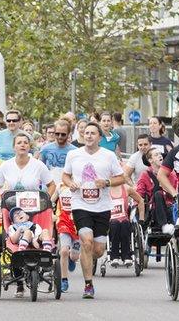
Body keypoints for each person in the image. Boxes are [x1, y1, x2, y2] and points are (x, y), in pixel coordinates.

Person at [62, 122, 125, 299]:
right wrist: (70, 183)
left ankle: (83, 252)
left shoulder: (109, 155)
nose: (89, 136)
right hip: (80, 205)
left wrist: (106, 183)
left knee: (98, 250)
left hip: (102, 206)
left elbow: (121, 177)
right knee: (87, 241)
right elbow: (65, 175)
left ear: (99, 137)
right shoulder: (74, 154)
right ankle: (88, 284)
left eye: (93, 133)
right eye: (86, 133)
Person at [0, 131, 56, 298]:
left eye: (25, 143)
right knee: (13, 242)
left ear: (29, 146)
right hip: (14, 211)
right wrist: (0, 201)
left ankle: (40, 266)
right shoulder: (6, 165)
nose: (22, 145)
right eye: (19, 143)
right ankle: (19, 282)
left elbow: (51, 185)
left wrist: (47, 201)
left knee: (38, 233)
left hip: (35, 209)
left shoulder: (38, 165)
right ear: (14, 147)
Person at [136, 148, 178, 234]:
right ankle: (164, 225)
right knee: (158, 194)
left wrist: (165, 187)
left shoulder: (170, 174)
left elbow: (175, 192)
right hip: (153, 210)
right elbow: (140, 194)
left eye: (160, 154)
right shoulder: (145, 174)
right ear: (150, 160)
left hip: (169, 206)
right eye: (156, 155)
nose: (160, 156)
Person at [108, 184, 144, 268]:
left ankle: (127, 256)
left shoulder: (127, 188)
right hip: (111, 221)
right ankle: (114, 256)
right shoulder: (106, 190)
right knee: (115, 224)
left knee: (124, 224)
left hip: (125, 219)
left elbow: (140, 200)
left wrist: (141, 219)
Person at [55, 185, 80, 292]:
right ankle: (64, 280)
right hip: (63, 222)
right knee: (64, 251)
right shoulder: (60, 187)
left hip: (78, 223)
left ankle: (72, 259)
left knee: (74, 256)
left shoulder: (81, 184)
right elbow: (50, 200)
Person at [38, 120, 77, 185]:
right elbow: (40, 169)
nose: (60, 137)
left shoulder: (75, 151)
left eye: (63, 134)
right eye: (57, 134)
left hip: (67, 188)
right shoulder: (45, 149)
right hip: (49, 187)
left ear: (69, 134)